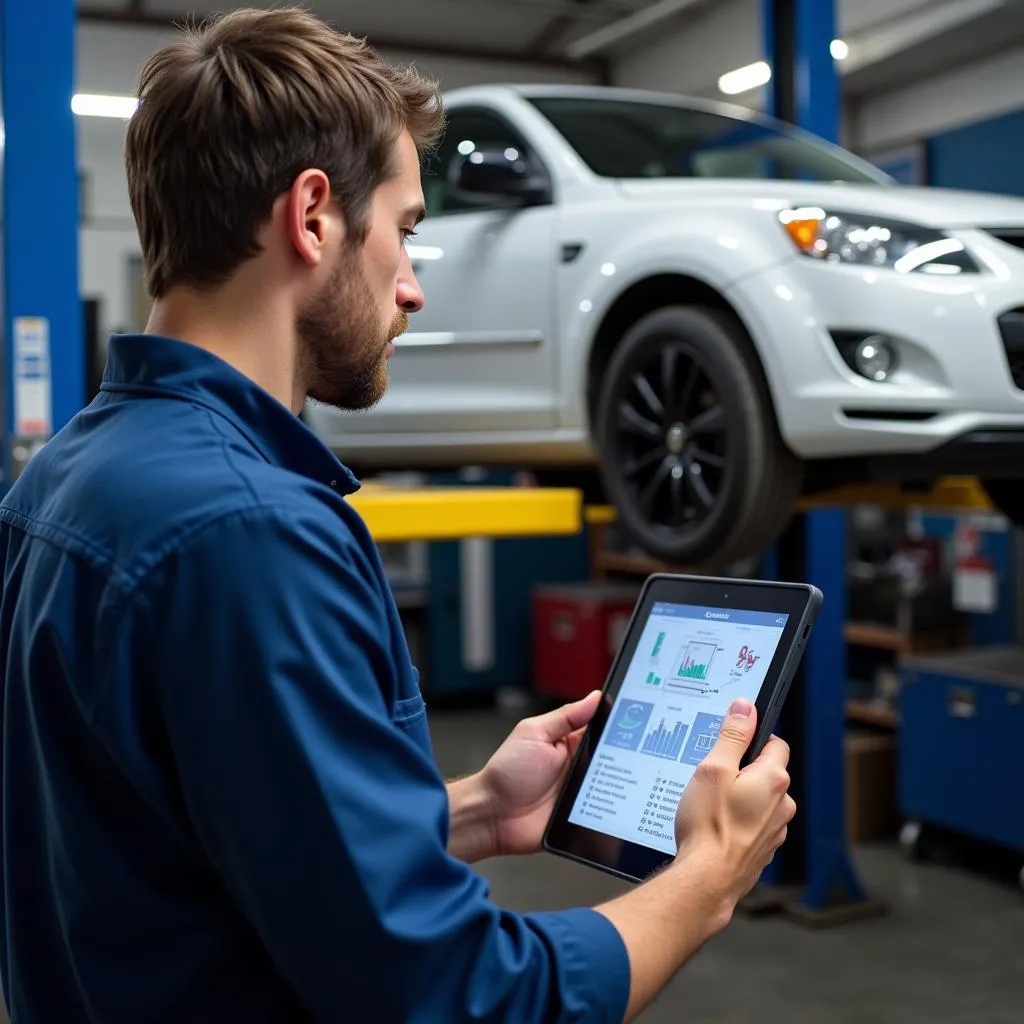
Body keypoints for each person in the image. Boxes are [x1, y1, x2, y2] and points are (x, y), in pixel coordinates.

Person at [0, 7, 795, 1022]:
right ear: (315, 214)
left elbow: (177, 838)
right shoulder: (250, 533)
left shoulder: (63, 478)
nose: (412, 288)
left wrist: (468, 810)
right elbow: (455, 996)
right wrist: (709, 873)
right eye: (407, 230)